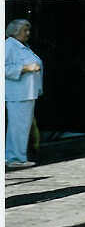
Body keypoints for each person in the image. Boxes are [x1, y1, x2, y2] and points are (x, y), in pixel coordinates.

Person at [5, 20, 42, 169]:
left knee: (22, 126)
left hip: (27, 93)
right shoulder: (9, 46)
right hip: (18, 93)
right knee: (18, 126)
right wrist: (25, 68)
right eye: (25, 30)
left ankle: (15, 156)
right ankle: (15, 158)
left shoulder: (22, 46)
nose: (28, 33)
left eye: (28, 30)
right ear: (15, 31)